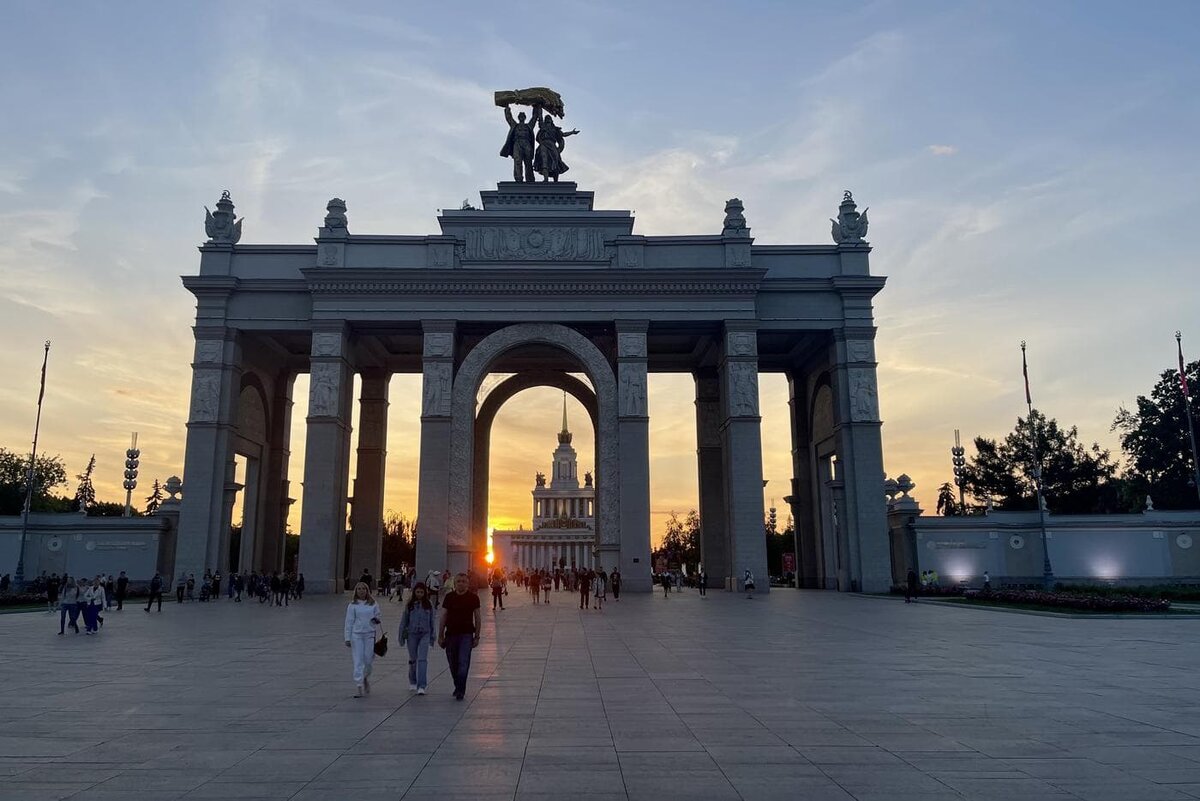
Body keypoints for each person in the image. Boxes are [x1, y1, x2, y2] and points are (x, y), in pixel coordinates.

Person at [438, 573, 481, 701]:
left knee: (463, 662)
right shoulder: (449, 597)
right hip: (451, 634)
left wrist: (477, 636)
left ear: (468, 583)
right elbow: (443, 616)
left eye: (463, 581)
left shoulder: (473, 598)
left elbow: (477, 617)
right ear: (455, 584)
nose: (461, 583)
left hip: (466, 635)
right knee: (453, 663)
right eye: (458, 581)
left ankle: (461, 690)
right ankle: (458, 685)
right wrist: (440, 635)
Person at [343, 581, 381, 698]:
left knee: (368, 660)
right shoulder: (352, 605)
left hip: (369, 635)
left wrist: (376, 619)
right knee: (358, 659)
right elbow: (349, 622)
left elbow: (378, 615)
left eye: (363, 589)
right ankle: (359, 684)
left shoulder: (373, 604)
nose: (361, 591)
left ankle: (365, 677)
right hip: (357, 635)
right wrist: (347, 638)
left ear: (367, 590)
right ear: (356, 591)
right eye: (359, 589)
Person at [399, 582, 436, 695]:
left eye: (421, 592)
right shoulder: (409, 604)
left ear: (425, 593)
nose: (419, 594)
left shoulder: (428, 605)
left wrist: (432, 636)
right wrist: (401, 636)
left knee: (422, 659)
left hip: (425, 633)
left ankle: (422, 685)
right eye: (417, 592)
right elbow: (404, 621)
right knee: (413, 659)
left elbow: (432, 621)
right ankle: (413, 681)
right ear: (414, 592)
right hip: (412, 634)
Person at [501, 103, 540, 182]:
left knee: (528, 162)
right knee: (517, 161)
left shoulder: (528, 126)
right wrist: (507, 107)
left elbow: (534, 118)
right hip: (517, 143)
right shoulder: (515, 125)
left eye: (523, 116)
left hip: (526, 144)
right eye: (520, 116)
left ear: (525, 118)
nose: (521, 117)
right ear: (519, 118)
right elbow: (509, 118)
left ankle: (529, 179)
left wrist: (536, 107)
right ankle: (518, 178)